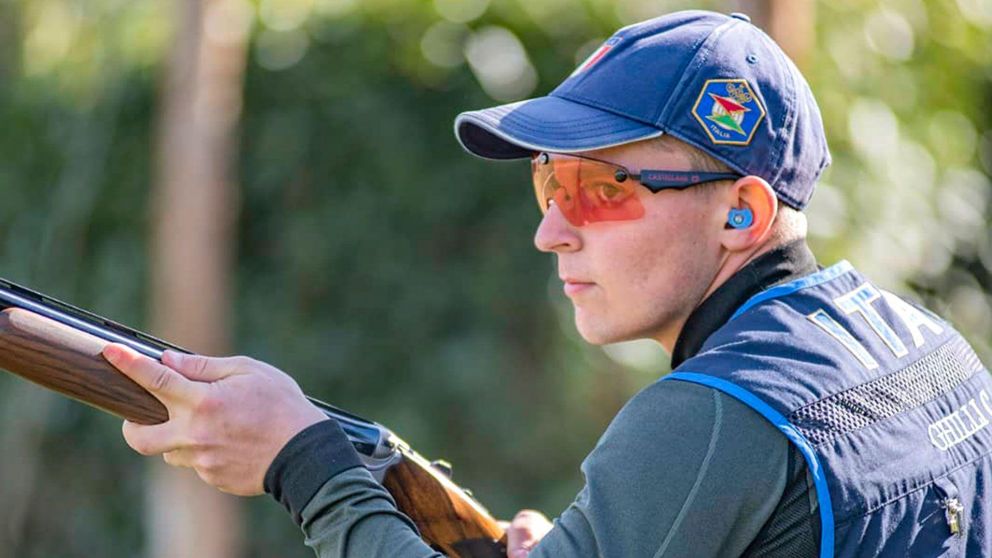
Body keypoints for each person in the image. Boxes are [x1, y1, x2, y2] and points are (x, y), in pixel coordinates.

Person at [102, 10, 992, 558]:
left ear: (741, 213)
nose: (549, 228)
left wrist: (304, 465)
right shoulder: (934, 350)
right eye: (547, 183)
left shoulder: (717, 410)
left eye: (600, 188)